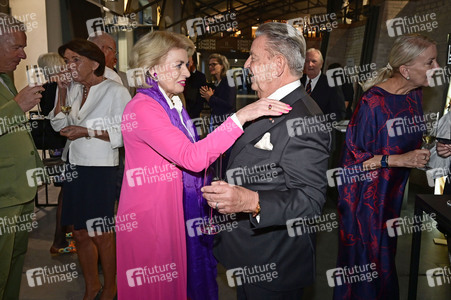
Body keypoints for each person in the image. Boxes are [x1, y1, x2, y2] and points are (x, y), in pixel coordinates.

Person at [116, 30, 290, 300]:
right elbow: (192, 158)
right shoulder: (143, 108)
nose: (187, 72)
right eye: (178, 65)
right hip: (154, 215)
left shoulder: (171, 103)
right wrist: (241, 116)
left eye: (186, 64)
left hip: (174, 206)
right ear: (152, 69)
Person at [202, 22, 331, 299]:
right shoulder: (265, 106)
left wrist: (250, 201)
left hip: (274, 266)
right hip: (251, 255)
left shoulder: (304, 119)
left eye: (254, 57)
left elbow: (310, 201)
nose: (247, 64)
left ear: (277, 65)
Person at [334, 34, 437, 300]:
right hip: (364, 203)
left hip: (390, 200)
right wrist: (398, 160)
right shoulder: (373, 103)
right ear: (405, 70)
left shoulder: (414, 95)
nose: (437, 68)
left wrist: (437, 150)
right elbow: (353, 163)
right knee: (367, 271)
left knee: (384, 267)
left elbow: (412, 146)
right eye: (430, 62)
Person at [50, 39, 131, 300]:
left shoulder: (114, 91)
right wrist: (61, 92)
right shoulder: (74, 89)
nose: (70, 66)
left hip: (99, 169)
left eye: (75, 60)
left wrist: (87, 131)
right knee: (79, 232)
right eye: (67, 61)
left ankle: (111, 287)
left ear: (94, 64)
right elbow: (58, 124)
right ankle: (92, 285)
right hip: (75, 165)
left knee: (100, 232)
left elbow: (125, 132)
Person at [0, 13, 44, 299]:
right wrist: (17, 106)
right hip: (3, 195)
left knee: (15, 261)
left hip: (19, 191)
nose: (23, 54)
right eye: (16, 46)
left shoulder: (5, 78)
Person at [36, 52, 74, 255]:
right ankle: (60, 240)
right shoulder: (58, 88)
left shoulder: (45, 89)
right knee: (66, 194)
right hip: (64, 146)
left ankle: (66, 238)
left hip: (59, 146)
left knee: (66, 193)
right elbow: (61, 117)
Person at [301, 48, 346, 121]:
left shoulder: (331, 84)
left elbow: (340, 113)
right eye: (307, 61)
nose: (310, 64)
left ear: (321, 64)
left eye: (314, 61)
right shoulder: (296, 82)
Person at [200, 53, 236, 128]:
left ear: (222, 66)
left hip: (225, 122)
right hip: (216, 120)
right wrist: (208, 98)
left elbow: (229, 104)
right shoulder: (217, 82)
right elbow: (215, 104)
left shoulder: (229, 80)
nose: (211, 67)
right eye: (209, 65)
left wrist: (211, 97)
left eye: (214, 64)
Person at [183, 53, 207, 119]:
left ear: (192, 62)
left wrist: (195, 112)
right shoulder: (182, 75)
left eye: (188, 62)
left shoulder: (200, 77)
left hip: (194, 114)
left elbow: (201, 98)